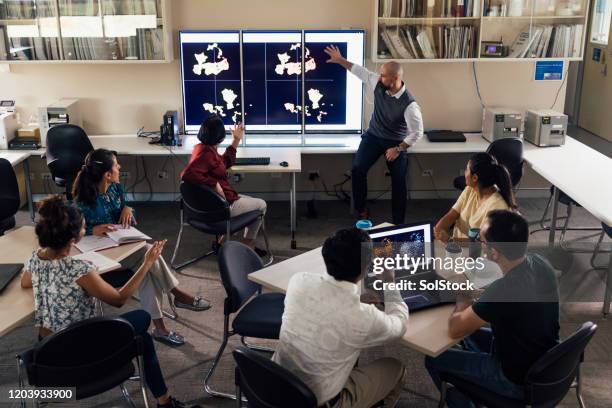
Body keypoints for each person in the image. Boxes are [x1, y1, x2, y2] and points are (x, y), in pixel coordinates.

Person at [20, 195, 197, 408]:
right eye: (84, 228)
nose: (85, 230)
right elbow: (120, 300)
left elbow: (25, 282)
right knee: (142, 318)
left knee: (143, 338)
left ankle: (164, 401)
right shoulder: (80, 270)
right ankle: (165, 402)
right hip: (84, 352)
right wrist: (147, 263)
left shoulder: (35, 258)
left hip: (50, 354)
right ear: (73, 240)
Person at [72, 148, 210, 346]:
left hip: (122, 249)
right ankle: (177, 294)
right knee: (147, 252)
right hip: (100, 260)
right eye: (116, 165)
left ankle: (160, 329)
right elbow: (69, 228)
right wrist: (92, 229)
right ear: (107, 174)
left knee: (147, 269)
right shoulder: (84, 200)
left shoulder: (115, 189)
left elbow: (126, 212)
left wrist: (129, 208)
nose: (120, 167)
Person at [425, 210, 560, 408]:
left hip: (514, 379)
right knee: (468, 336)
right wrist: (480, 295)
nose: (479, 243)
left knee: (434, 358)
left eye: (482, 240)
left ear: (494, 252)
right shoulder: (541, 263)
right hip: (543, 362)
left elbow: (455, 328)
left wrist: (462, 296)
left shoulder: (504, 289)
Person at [272, 228, 409, 408]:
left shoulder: (299, 281)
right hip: (319, 403)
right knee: (396, 368)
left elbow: (330, 304)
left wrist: (356, 301)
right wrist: (389, 282)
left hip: (275, 385)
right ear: (366, 268)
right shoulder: (364, 317)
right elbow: (399, 325)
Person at [324, 45, 424, 225]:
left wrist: (399, 148)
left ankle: (397, 223)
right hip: (374, 136)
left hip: (396, 142)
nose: (379, 76)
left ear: (395, 79)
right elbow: (360, 71)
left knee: (399, 181)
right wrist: (340, 60)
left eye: (384, 75)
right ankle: (362, 210)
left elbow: (417, 132)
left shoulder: (410, 105)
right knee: (357, 169)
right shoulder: (378, 83)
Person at [180, 115, 267, 255]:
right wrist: (214, 184)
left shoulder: (202, 149)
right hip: (222, 207)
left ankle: (221, 243)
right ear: (220, 137)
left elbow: (223, 163)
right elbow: (186, 174)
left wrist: (236, 140)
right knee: (261, 205)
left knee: (248, 203)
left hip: (208, 207)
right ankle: (247, 246)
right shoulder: (206, 154)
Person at [434, 152, 517, 243]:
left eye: (467, 169)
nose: (465, 173)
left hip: (475, 252)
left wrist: (450, 241)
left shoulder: (498, 206)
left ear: (474, 178)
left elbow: (482, 243)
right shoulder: (470, 189)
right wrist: (438, 229)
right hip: (456, 246)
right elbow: (452, 215)